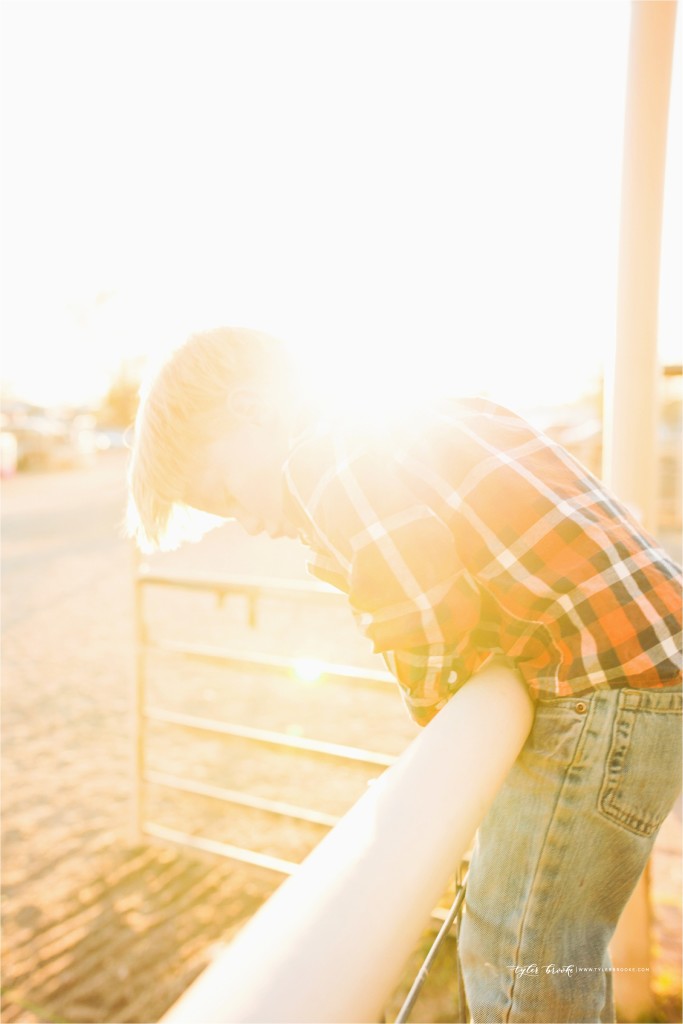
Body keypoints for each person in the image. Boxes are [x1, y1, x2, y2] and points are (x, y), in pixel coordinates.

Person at [127, 325, 682, 1023]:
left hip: (602, 689)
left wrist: (434, 719)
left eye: (229, 494)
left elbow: (416, 603)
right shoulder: (427, 415)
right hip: (643, 670)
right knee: (557, 944)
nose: (247, 523)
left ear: (253, 411)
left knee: (516, 947)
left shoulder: (328, 459)